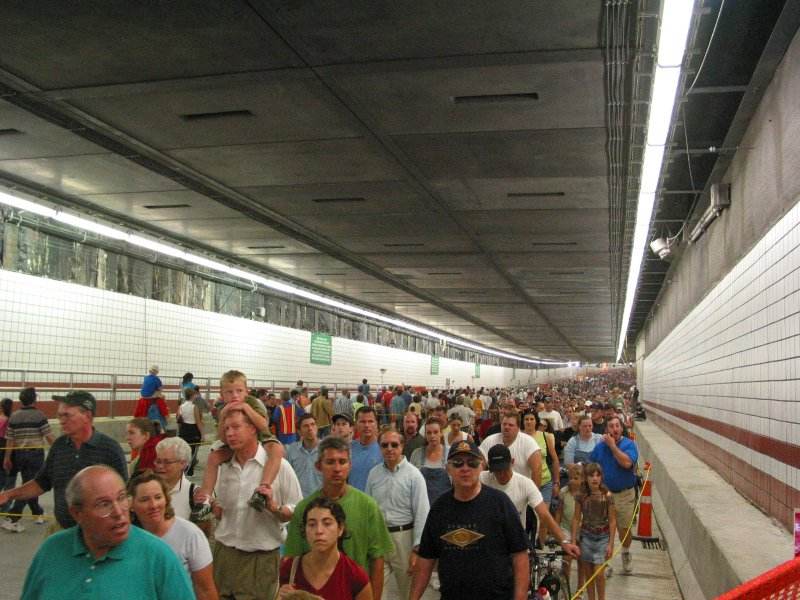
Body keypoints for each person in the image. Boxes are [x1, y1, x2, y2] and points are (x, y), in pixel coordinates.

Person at [21, 465, 194, 600]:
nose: (119, 512)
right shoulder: (51, 550)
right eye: (103, 504)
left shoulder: (158, 556)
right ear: (77, 514)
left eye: (121, 498)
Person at [409, 440, 530, 600]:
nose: (465, 468)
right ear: (448, 469)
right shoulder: (439, 508)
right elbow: (426, 560)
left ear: (481, 466)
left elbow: (520, 555)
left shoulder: (500, 503)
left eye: (472, 463)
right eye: (458, 463)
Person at [284, 436, 394, 600]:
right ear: (318, 466)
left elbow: (377, 560)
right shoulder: (304, 509)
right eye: (330, 462)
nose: (337, 468)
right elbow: (292, 558)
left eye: (342, 462)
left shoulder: (368, 506)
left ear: (350, 466)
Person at [0, 391, 127, 531]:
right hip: (62, 530)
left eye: (67, 415)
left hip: (99, 534)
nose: (61, 420)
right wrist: (7, 495)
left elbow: (124, 495)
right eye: (59, 415)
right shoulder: (59, 446)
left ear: (87, 416)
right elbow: (41, 483)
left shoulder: (110, 449)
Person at [212, 406, 302, 600]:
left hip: (260, 559)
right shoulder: (223, 468)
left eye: (236, 427)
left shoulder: (279, 467)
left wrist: (274, 508)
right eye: (226, 429)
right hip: (224, 553)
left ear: (253, 428)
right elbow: (218, 507)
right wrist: (213, 506)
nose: (230, 433)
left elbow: (297, 509)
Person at [193, 370, 284, 519]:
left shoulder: (253, 403)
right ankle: (205, 499)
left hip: (261, 439)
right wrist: (222, 417)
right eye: (229, 392)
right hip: (235, 443)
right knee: (213, 457)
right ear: (222, 394)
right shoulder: (224, 408)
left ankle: (262, 490)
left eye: (239, 391)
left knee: (277, 449)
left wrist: (246, 409)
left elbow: (264, 426)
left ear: (246, 392)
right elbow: (223, 438)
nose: (235, 396)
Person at [128, 470, 219, 600]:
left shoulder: (190, 534)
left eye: (158, 497)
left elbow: (206, 591)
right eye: (144, 500)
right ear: (131, 505)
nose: (153, 505)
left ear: (166, 499)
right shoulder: (126, 537)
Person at [366, 428, 430, 600]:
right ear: (379, 448)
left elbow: (422, 513)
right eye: (384, 445)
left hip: (404, 539)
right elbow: (369, 511)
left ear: (402, 446)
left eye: (394, 445)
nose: (389, 449)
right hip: (379, 538)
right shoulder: (373, 474)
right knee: (376, 592)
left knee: (408, 591)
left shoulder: (414, 475)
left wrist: (417, 549)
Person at [480, 445, 579, 555]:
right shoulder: (483, 479)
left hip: (515, 543)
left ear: (512, 462)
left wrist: (564, 541)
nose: (501, 474)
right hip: (489, 542)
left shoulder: (525, 484)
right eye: (497, 471)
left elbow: (544, 514)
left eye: (505, 469)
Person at [278, 497, 372, 600]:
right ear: (304, 530)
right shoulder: (290, 569)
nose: (319, 531)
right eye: (312, 524)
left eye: (327, 523)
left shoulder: (355, 576)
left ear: (340, 528)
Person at [589, 415, 638, 575]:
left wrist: (613, 447)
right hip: (605, 495)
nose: (615, 429)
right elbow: (592, 466)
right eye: (611, 426)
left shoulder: (629, 444)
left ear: (621, 428)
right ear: (606, 430)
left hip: (624, 494)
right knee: (603, 529)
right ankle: (606, 561)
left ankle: (625, 551)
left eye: (617, 426)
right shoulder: (600, 447)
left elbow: (626, 463)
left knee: (624, 528)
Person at [2, 388, 54, 531]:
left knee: (28, 483)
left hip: (19, 455)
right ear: (34, 400)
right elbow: (48, 436)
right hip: (35, 455)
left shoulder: (14, 417)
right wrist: (58, 450)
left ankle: (37, 513)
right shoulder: (39, 415)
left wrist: (7, 458)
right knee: (30, 486)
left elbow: (10, 440)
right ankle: (12, 517)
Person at [571, 463, 616, 600]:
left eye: (598, 475)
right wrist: (573, 540)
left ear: (601, 477)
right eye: (591, 475)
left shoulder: (608, 496)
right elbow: (576, 518)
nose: (595, 479)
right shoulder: (581, 496)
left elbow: (612, 520)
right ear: (586, 478)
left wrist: (611, 543)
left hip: (602, 537)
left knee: (599, 574)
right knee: (589, 575)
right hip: (586, 537)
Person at [479, 410, 542, 487]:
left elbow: (537, 471)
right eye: (504, 424)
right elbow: (479, 467)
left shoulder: (529, 443)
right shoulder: (489, 440)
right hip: (495, 491)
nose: (506, 427)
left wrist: (533, 494)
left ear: (518, 427)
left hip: (521, 490)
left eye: (510, 425)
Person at [555, 463, 585, 590]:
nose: (572, 481)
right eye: (570, 478)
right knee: (566, 559)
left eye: (576, 478)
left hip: (582, 530)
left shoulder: (585, 494)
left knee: (582, 561)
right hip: (566, 528)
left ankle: (580, 588)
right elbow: (559, 512)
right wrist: (556, 528)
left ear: (583, 479)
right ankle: (565, 587)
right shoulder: (564, 492)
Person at [409, 417, 451, 505]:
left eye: (435, 432)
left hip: (446, 505)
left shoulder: (450, 453)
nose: (432, 436)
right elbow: (410, 482)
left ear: (441, 433)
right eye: (429, 433)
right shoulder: (417, 454)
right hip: (422, 505)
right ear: (425, 435)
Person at [154, 437, 196, 522]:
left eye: (167, 462)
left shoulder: (194, 494)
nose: (160, 466)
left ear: (183, 464)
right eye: (158, 461)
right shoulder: (150, 490)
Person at [286, 414, 323, 497]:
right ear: (299, 432)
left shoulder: (327, 449)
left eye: (313, 424)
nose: (310, 428)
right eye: (306, 426)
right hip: (299, 500)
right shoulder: (292, 451)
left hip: (322, 500)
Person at [349, 406, 382, 491]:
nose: (367, 425)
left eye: (370, 421)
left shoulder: (384, 449)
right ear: (356, 424)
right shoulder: (348, 448)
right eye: (363, 422)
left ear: (376, 423)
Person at [178, 386, 204, 475]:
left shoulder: (181, 406)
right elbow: (198, 422)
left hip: (184, 430)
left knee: (184, 451)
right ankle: (189, 471)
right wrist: (202, 434)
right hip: (193, 430)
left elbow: (179, 420)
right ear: (192, 396)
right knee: (192, 452)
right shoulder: (194, 407)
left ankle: (183, 470)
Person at [134, 365, 168, 432]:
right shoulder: (156, 379)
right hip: (152, 402)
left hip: (144, 398)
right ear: (157, 372)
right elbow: (160, 389)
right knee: (163, 397)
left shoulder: (145, 378)